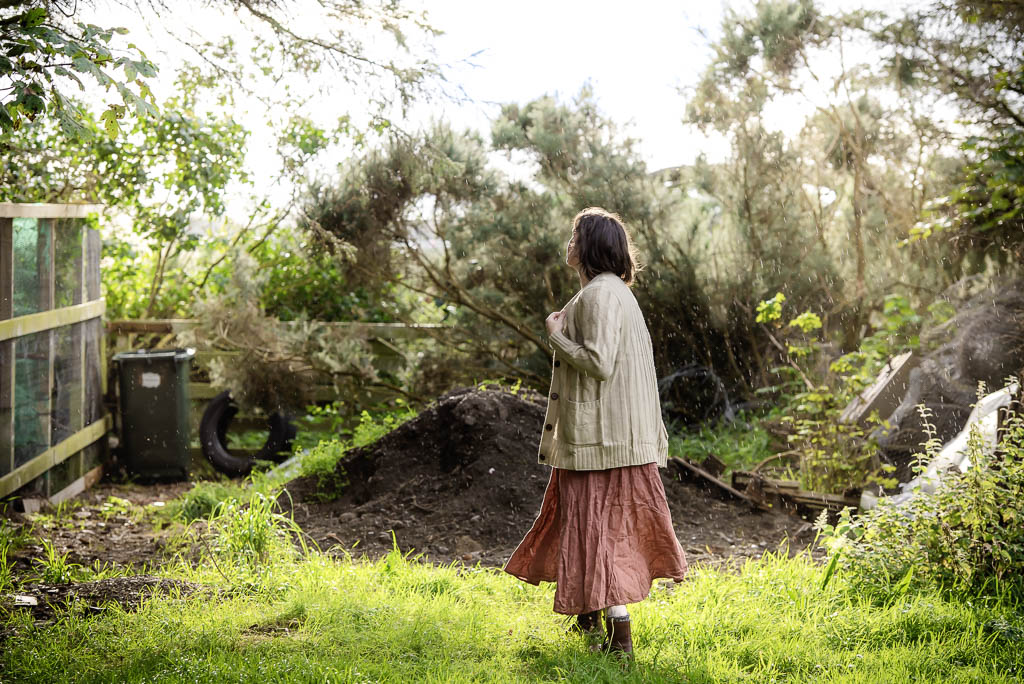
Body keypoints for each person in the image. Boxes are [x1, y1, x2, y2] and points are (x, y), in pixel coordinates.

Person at [504, 207, 688, 658]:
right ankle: (588, 616)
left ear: (588, 246)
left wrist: (556, 338)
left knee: (601, 532)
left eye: (574, 236)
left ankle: (619, 639)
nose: (567, 244)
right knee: (586, 525)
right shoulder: (610, 293)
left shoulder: (602, 295)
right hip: (607, 438)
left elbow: (600, 363)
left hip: (603, 441)